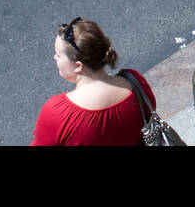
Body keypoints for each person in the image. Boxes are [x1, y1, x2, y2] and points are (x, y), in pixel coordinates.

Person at [31, 17, 154, 146]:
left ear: (78, 66)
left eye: (58, 54)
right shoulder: (135, 83)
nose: (54, 58)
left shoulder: (57, 113)